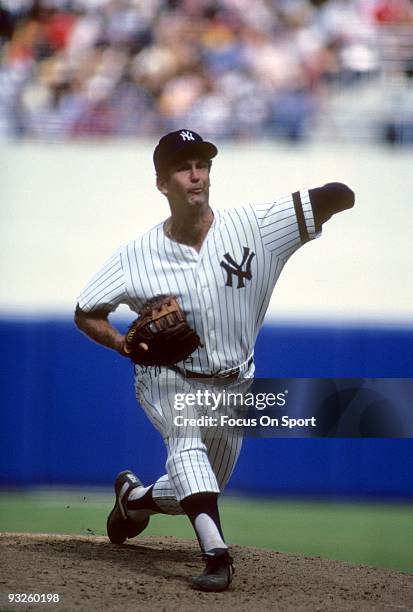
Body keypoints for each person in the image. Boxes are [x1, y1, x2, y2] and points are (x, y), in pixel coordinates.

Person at [74, 128, 354, 592]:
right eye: (184, 168)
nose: (197, 176)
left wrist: (335, 197)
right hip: (168, 376)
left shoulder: (255, 228)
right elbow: (86, 312)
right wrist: (124, 345)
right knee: (186, 449)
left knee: (201, 485)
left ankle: (136, 501)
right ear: (163, 184)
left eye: (203, 165)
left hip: (234, 385)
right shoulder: (135, 256)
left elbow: (334, 197)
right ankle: (216, 554)